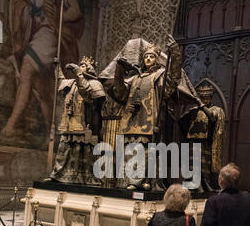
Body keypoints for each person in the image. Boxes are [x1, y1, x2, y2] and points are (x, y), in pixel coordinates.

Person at [2, 0, 84, 139]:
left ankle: (11, 125)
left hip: (49, 31)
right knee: (42, 85)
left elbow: (76, 11)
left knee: (28, 68)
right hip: (32, 30)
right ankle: (50, 133)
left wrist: (57, 14)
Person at [112, 35, 182, 191]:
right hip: (132, 119)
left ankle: (140, 181)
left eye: (151, 56)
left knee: (145, 152)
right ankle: (131, 180)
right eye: (146, 57)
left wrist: (175, 54)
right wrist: (119, 71)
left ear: (156, 59)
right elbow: (120, 92)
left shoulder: (159, 76)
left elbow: (174, 81)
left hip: (149, 120)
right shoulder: (135, 78)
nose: (148, 59)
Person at [48, 56, 105, 184]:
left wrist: (78, 73)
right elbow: (61, 81)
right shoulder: (73, 82)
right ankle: (58, 174)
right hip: (69, 122)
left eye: (83, 66)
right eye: (81, 65)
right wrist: (57, 68)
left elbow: (86, 93)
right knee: (64, 148)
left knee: (82, 152)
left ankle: (82, 177)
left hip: (84, 123)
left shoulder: (94, 84)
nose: (80, 67)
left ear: (90, 69)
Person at [186, 83, 225, 192]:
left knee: (204, 165)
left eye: (207, 98)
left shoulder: (215, 110)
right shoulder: (195, 110)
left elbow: (212, 118)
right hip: (193, 141)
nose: (205, 100)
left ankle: (204, 183)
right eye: (202, 98)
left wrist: (202, 107)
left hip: (206, 142)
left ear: (211, 98)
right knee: (192, 163)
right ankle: (193, 183)